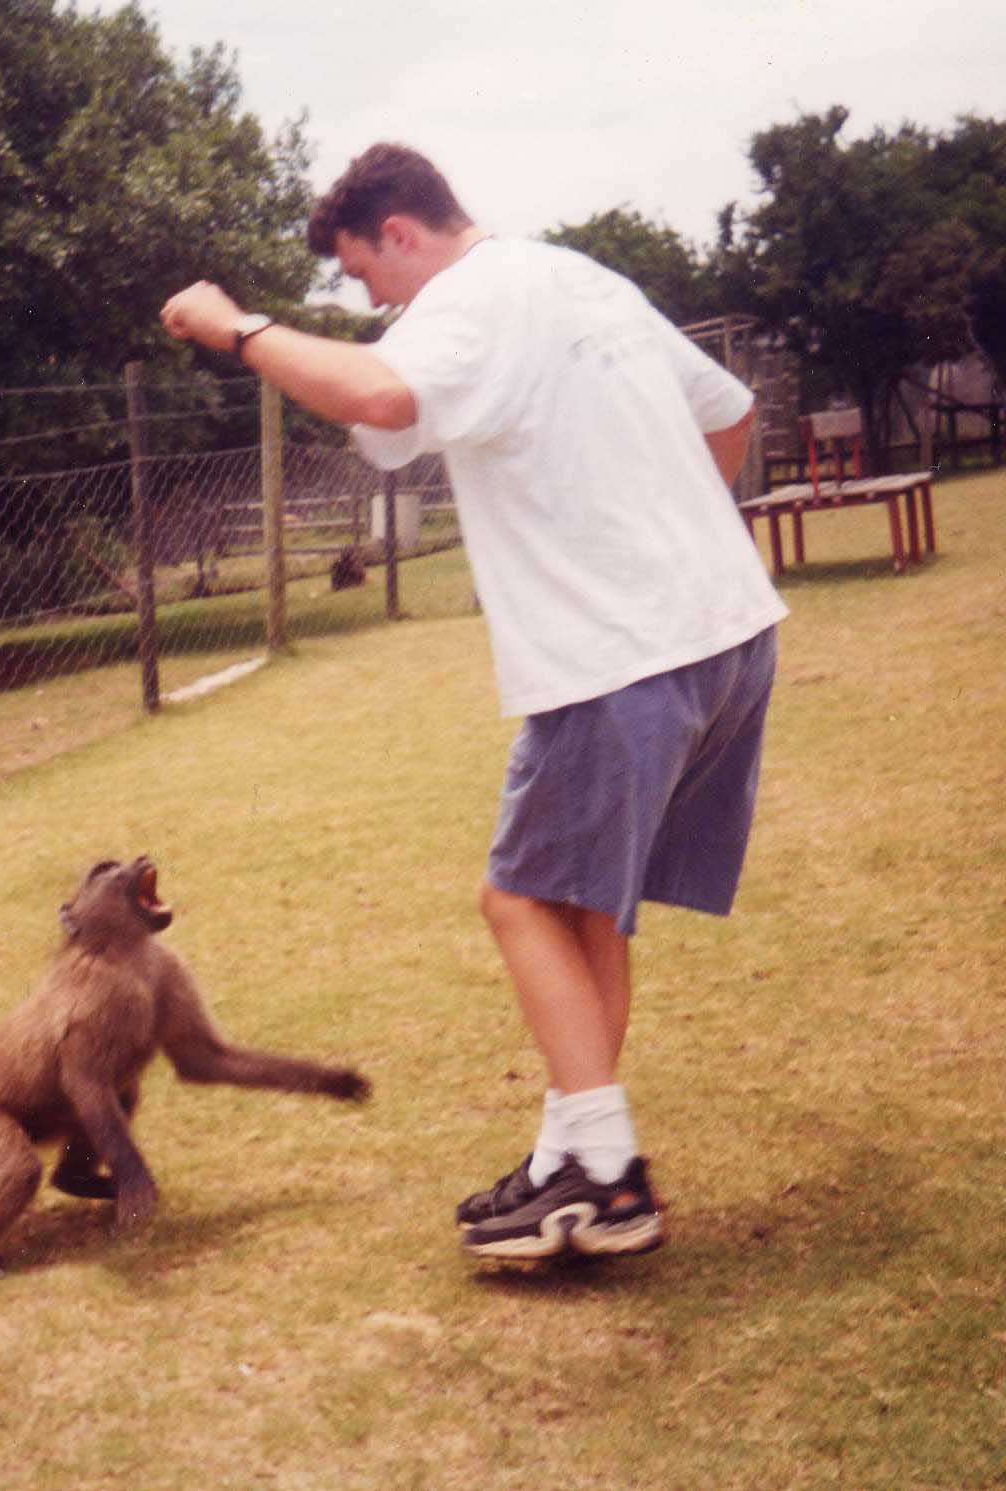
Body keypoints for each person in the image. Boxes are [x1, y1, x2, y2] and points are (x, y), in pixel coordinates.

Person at [160, 143, 787, 1263]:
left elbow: (371, 388)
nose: (371, 302)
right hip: (727, 634)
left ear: (400, 232)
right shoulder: (577, 278)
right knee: (581, 904)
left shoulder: (467, 297)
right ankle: (571, 1149)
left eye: (363, 274)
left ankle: (603, 1172)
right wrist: (684, 535)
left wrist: (237, 328)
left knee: (517, 901)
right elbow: (728, 412)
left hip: (619, 657)